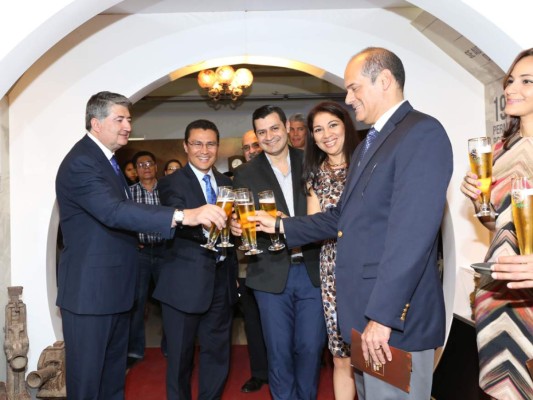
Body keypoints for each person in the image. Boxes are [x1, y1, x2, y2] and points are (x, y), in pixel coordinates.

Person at [246, 47, 453, 400]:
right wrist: (281, 226)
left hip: (390, 321)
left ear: (384, 80)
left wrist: (384, 317)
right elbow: (344, 218)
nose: (348, 98)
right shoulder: (373, 142)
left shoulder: (421, 133)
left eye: (354, 88)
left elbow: (413, 237)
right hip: (365, 314)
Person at [55, 91, 227, 400]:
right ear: (95, 123)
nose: (127, 126)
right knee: (87, 385)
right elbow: (114, 212)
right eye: (119, 119)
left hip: (113, 291)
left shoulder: (107, 162)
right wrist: (183, 215)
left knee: (111, 382)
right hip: (90, 294)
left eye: (129, 119)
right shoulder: (82, 162)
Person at [232, 105, 326, 400]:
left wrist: (286, 224)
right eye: (262, 132)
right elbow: (243, 222)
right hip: (270, 274)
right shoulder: (245, 173)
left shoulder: (312, 162)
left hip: (312, 270)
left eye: (274, 128)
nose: (269, 137)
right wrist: (237, 228)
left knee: (310, 348)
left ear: (287, 126)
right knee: (279, 350)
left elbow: (323, 218)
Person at [460, 48, 533, 399]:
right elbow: (500, 229)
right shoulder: (501, 150)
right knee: (501, 387)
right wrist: (481, 203)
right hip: (498, 286)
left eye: (526, 80)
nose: (511, 88)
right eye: (510, 80)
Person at [155, 119, 238, 400]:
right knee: (180, 358)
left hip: (221, 282)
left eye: (211, 144)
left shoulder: (227, 183)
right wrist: (202, 218)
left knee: (217, 355)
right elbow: (175, 214)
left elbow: (230, 226)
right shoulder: (169, 183)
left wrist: (235, 228)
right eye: (197, 143)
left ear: (218, 146)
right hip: (183, 284)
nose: (204, 150)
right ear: (186, 146)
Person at [302, 101, 360, 399]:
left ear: (346, 125)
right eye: (318, 129)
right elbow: (314, 228)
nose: (326, 134)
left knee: (375, 353)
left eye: (332, 125)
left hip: (367, 266)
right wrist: (283, 226)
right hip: (332, 269)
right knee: (341, 355)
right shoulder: (315, 175)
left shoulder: (367, 162)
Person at [127, 150, 167, 367]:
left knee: (169, 302)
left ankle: (171, 347)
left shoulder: (167, 190)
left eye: (149, 163)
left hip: (165, 252)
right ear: (135, 170)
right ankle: (134, 350)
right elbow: (121, 220)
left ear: (155, 167)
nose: (146, 168)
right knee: (137, 303)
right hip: (140, 253)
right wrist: (132, 241)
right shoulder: (128, 193)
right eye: (140, 165)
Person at [237, 129, 269, 393]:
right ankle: (259, 372)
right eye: (247, 147)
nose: (252, 151)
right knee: (254, 323)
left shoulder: (279, 175)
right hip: (247, 267)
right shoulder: (239, 179)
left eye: (256, 145)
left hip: (279, 263)